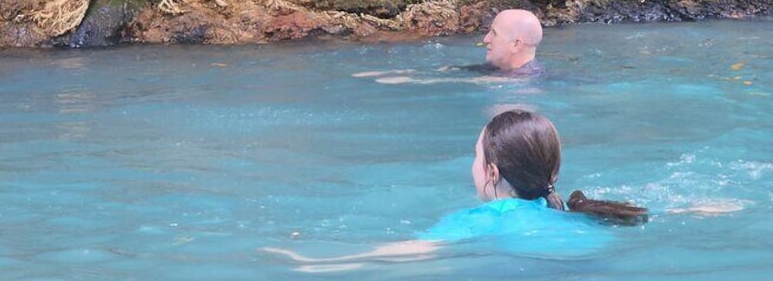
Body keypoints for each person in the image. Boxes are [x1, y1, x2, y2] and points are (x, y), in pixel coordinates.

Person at [263, 110, 647, 268]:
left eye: (475, 156)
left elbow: (408, 253)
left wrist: (311, 260)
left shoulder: (481, 219)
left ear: (491, 172)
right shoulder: (584, 214)